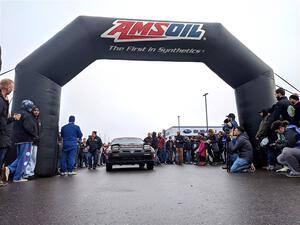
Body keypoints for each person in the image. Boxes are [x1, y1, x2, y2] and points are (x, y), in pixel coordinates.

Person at [3, 100, 37, 182]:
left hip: (18, 139)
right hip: (26, 139)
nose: (32, 108)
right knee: (24, 158)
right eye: (31, 106)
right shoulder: (27, 115)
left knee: (20, 157)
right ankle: (17, 177)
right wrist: (34, 135)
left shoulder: (18, 113)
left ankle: (9, 169)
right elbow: (28, 127)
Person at [0, 78, 21, 186]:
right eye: (12, 87)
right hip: (2, 135)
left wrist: (13, 118)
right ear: (7, 87)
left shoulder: (4, 101)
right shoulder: (1, 100)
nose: (12, 90)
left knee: (1, 158)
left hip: (3, 135)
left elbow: (3, 120)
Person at [24, 106, 42, 179]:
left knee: (33, 158)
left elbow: (41, 130)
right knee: (28, 157)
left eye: (37, 110)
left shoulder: (39, 121)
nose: (36, 112)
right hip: (30, 141)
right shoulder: (30, 119)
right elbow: (27, 128)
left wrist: (39, 137)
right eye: (35, 110)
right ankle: (26, 173)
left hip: (36, 142)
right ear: (32, 111)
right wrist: (34, 135)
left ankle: (31, 172)